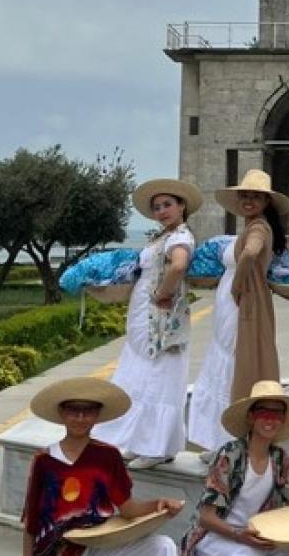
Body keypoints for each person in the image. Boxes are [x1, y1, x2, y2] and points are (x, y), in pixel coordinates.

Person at [95, 178, 201, 469]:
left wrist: (162, 294)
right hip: (145, 313)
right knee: (141, 374)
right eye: (157, 207)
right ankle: (140, 440)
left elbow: (178, 265)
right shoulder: (162, 236)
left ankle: (157, 447)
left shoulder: (179, 237)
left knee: (159, 376)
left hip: (161, 317)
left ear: (182, 206)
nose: (162, 211)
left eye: (168, 205)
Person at [23, 377, 184, 556]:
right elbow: (32, 522)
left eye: (88, 412)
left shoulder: (108, 456)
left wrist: (159, 504)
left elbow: (128, 509)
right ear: (62, 412)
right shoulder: (43, 460)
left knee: (163, 546)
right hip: (57, 549)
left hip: (99, 543)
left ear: (97, 415)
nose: (80, 418)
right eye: (73, 411)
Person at [182, 381, 289, 556]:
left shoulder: (280, 458)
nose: (270, 419)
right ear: (251, 417)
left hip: (258, 534)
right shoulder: (230, 455)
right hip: (219, 535)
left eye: (277, 414)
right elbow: (206, 518)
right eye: (263, 412)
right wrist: (239, 535)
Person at [214, 169, 289, 404]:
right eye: (245, 196)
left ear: (266, 201)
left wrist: (236, 287)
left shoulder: (258, 227)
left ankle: (240, 406)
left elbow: (249, 253)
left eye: (256, 197)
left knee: (241, 352)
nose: (249, 201)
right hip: (242, 295)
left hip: (245, 296)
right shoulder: (253, 225)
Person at [187, 233, 240, 456]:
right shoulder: (243, 233)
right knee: (220, 363)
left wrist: (238, 285)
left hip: (238, 299)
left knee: (229, 365)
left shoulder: (259, 230)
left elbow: (251, 258)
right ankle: (219, 441)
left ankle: (228, 442)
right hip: (226, 297)